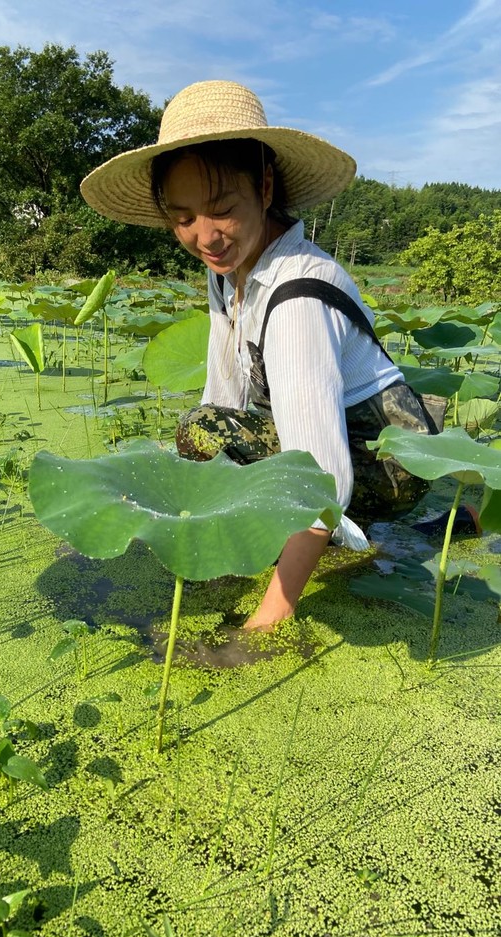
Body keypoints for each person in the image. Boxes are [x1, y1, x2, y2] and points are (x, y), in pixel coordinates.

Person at [80, 80, 470, 632]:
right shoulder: (229, 270)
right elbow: (222, 400)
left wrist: (265, 623)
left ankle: (375, 532)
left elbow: (322, 479)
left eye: (222, 209)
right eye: (184, 218)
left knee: (212, 438)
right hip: (331, 438)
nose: (206, 237)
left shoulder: (298, 297)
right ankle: (343, 538)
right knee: (202, 430)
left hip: (386, 457)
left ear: (264, 187)